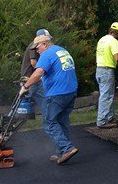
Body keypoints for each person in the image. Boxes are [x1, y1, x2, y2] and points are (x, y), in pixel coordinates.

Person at [20, 34, 79, 165]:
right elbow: (55, 72)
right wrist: (32, 80)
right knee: (61, 121)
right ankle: (62, 151)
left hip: (57, 93)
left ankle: (67, 148)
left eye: (37, 47)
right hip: (71, 92)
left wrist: (26, 86)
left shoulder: (47, 54)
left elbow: (38, 73)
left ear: (45, 44)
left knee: (49, 122)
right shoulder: (61, 50)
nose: (36, 50)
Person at [95, 22, 118, 128]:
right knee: (106, 96)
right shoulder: (113, 41)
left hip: (99, 69)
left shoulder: (102, 39)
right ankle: (102, 121)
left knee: (107, 95)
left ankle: (109, 117)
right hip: (107, 70)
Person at [19, 29, 51, 117]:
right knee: (44, 99)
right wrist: (42, 72)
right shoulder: (34, 46)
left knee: (44, 100)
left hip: (34, 78)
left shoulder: (38, 46)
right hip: (30, 77)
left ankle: (49, 119)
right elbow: (33, 63)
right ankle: (50, 119)